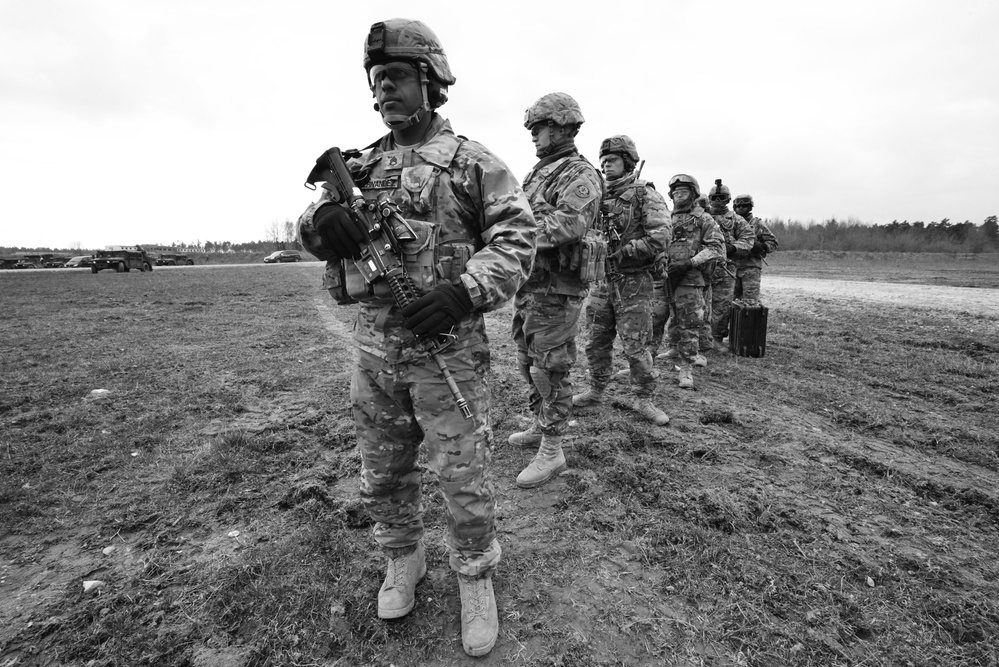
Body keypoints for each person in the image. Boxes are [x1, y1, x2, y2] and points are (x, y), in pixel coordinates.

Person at [297, 19, 536, 657]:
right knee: (383, 467)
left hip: (447, 351)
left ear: (430, 81)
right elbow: (308, 226)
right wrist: (322, 221)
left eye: (397, 78)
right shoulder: (360, 165)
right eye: (377, 82)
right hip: (374, 349)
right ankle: (403, 558)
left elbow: (518, 242)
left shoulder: (473, 163)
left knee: (462, 472)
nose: (384, 92)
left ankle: (476, 575)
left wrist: (463, 292)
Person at [508, 92, 603, 488]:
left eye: (541, 127)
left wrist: (510, 238)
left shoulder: (579, 174)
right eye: (532, 127)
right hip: (530, 285)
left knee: (550, 368)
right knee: (526, 362)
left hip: (557, 291)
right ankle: (539, 423)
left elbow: (567, 224)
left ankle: (553, 447)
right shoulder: (538, 173)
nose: (534, 134)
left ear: (564, 126)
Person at [572, 135, 670, 425]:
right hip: (601, 282)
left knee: (636, 345)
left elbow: (661, 236)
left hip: (633, 282)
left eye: (611, 160)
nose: (605, 165)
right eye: (602, 162)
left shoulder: (644, 195)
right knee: (596, 341)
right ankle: (595, 390)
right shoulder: (598, 196)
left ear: (627, 162)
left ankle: (643, 398)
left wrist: (622, 252)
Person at [663, 175, 724, 389]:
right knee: (659, 319)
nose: (679, 195)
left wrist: (689, 263)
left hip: (690, 280)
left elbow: (716, 248)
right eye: (676, 192)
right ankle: (666, 351)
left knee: (689, 324)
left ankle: (687, 367)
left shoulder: (703, 219)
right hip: (665, 277)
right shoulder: (665, 217)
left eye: (684, 191)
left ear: (693, 194)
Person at [702, 179, 755, 351]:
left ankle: (716, 338)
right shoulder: (701, 217)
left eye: (722, 197)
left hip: (726, 269)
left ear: (727, 199)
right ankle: (697, 339)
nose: (718, 201)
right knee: (698, 304)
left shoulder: (736, 220)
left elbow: (748, 240)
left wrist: (732, 248)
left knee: (722, 306)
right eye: (714, 197)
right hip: (701, 268)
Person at [732, 194, 779, 305]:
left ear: (750, 207)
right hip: (731, 267)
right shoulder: (729, 223)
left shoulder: (757, 224)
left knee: (750, 303)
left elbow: (773, 242)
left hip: (751, 268)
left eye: (744, 206)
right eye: (738, 206)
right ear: (734, 208)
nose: (741, 208)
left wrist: (763, 246)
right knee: (728, 303)